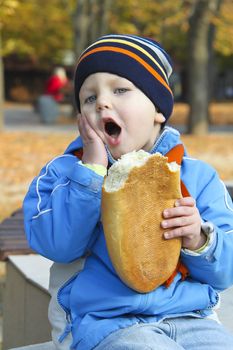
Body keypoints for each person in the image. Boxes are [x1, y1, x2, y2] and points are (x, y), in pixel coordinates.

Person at [23, 34, 233, 350]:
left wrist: (199, 239)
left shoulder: (197, 177)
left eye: (120, 89)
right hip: (106, 326)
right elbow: (57, 245)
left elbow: (224, 274)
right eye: (89, 98)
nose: (103, 103)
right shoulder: (64, 173)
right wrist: (92, 173)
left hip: (190, 318)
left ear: (158, 111)